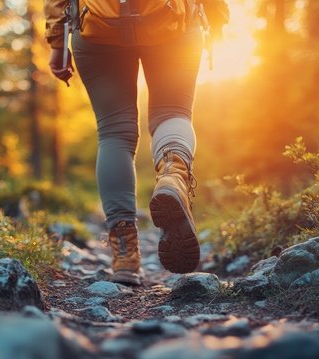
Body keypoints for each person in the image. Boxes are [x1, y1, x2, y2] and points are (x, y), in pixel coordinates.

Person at [43, 0, 226, 285]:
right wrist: (216, 18)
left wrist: (57, 40)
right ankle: (173, 174)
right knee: (173, 112)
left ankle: (125, 254)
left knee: (114, 132)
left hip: (98, 26)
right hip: (173, 21)